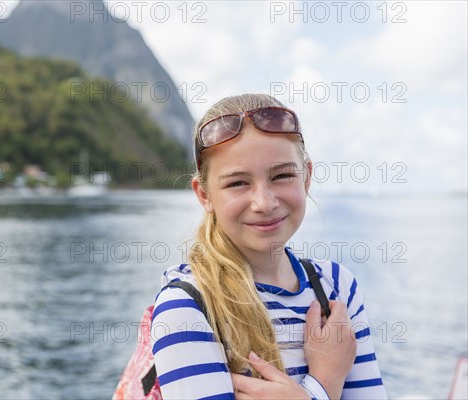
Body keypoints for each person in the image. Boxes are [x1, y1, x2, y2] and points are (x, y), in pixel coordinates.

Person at [150, 94, 387, 399]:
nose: (264, 202)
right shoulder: (187, 307)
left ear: (307, 177)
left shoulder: (337, 287)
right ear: (205, 195)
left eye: (282, 176)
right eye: (237, 183)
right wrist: (325, 383)